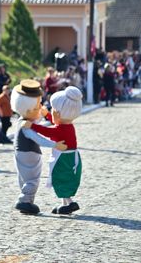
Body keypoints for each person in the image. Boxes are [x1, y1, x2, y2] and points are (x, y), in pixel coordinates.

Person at [10, 79, 67, 215]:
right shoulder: (26, 126)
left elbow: (37, 122)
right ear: (28, 109)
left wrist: (44, 113)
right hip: (30, 154)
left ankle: (27, 200)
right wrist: (55, 144)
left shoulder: (21, 121)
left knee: (24, 178)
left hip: (20, 153)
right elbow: (38, 139)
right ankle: (24, 200)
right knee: (32, 179)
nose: (40, 107)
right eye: (37, 107)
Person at [23, 86, 83, 214]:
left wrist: (32, 126)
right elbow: (56, 122)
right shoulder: (67, 126)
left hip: (63, 159)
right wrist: (47, 115)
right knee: (62, 178)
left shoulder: (61, 129)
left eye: (53, 110)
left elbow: (48, 131)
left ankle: (70, 202)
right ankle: (64, 204)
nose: (52, 112)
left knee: (60, 178)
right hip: (69, 157)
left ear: (60, 113)